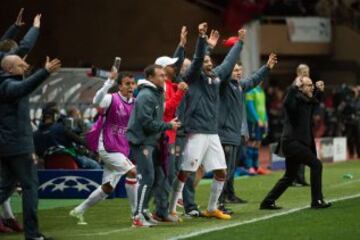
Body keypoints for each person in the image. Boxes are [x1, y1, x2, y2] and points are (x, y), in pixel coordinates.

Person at [169, 23, 246, 220]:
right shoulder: (194, 78)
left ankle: (212, 208)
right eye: (206, 61)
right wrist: (202, 39)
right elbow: (196, 61)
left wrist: (240, 43)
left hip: (212, 133)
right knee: (187, 171)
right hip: (196, 131)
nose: (209, 63)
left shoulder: (216, 78)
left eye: (210, 60)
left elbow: (228, 64)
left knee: (222, 171)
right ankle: (172, 208)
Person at [0, 54, 61, 240]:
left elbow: (25, 84)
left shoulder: (7, 83)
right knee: (30, 188)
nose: (25, 66)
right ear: (9, 69)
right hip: (18, 146)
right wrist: (45, 72)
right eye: (20, 64)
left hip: (8, 146)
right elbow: (24, 87)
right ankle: (33, 235)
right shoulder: (8, 85)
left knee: (6, 188)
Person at [70, 70, 138, 225]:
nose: (131, 87)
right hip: (108, 146)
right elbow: (97, 101)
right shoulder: (111, 99)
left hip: (121, 149)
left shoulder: (135, 103)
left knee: (107, 188)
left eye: (133, 83)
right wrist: (108, 82)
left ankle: (78, 210)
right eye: (127, 84)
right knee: (133, 172)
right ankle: (136, 215)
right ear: (120, 86)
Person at [260, 76, 332, 210]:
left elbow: (314, 102)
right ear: (301, 88)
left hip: (296, 143)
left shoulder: (306, 100)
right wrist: (294, 87)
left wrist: (319, 91)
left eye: (312, 85)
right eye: (309, 85)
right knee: (316, 165)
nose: (312, 87)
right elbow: (287, 103)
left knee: (289, 176)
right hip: (292, 143)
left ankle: (267, 202)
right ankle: (317, 200)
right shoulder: (295, 100)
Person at [218, 54, 278, 213]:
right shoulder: (224, 85)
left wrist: (266, 68)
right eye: (235, 70)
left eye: (240, 70)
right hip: (225, 134)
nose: (238, 72)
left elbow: (253, 80)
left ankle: (228, 195)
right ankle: (219, 201)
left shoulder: (239, 86)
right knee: (223, 169)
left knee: (230, 168)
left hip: (234, 134)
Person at [126, 64, 180, 227]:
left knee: (158, 177)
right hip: (142, 141)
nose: (164, 78)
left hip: (152, 141)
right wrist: (168, 126)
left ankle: (144, 211)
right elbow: (146, 122)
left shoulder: (155, 93)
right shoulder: (146, 95)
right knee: (147, 177)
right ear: (150, 78)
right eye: (161, 75)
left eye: (165, 75)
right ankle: (137, 215)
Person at [152, 26, 189, 222]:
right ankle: (160, 211)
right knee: (164, 175)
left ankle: (162, 210)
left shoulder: (167, 84)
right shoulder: (161, 86)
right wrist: (180, 91)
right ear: (162, 68)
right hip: (165, 135)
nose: (175, 68)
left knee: (167, 174)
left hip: (169, 134)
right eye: (171, 66)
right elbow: (166, 109)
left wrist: (181, 45)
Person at [293, 64, 311, 187]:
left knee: (303, 151)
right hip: (296, 123)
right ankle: (294, 178)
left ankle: (301, 177)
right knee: (298, 152)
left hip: (303, 123)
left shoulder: (305, 83)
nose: (307, 73)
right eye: (305, 71)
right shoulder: (297, 84)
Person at [245, 82, 269, 175]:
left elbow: (263, 107)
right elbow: (250, 106)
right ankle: (249, 167)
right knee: (251, 142)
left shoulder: (261, 91)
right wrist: (256, 119)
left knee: (258, 143)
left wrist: (266, 119)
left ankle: (256, 166)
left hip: (262, 122)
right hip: (253, 121)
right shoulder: (250, 91)